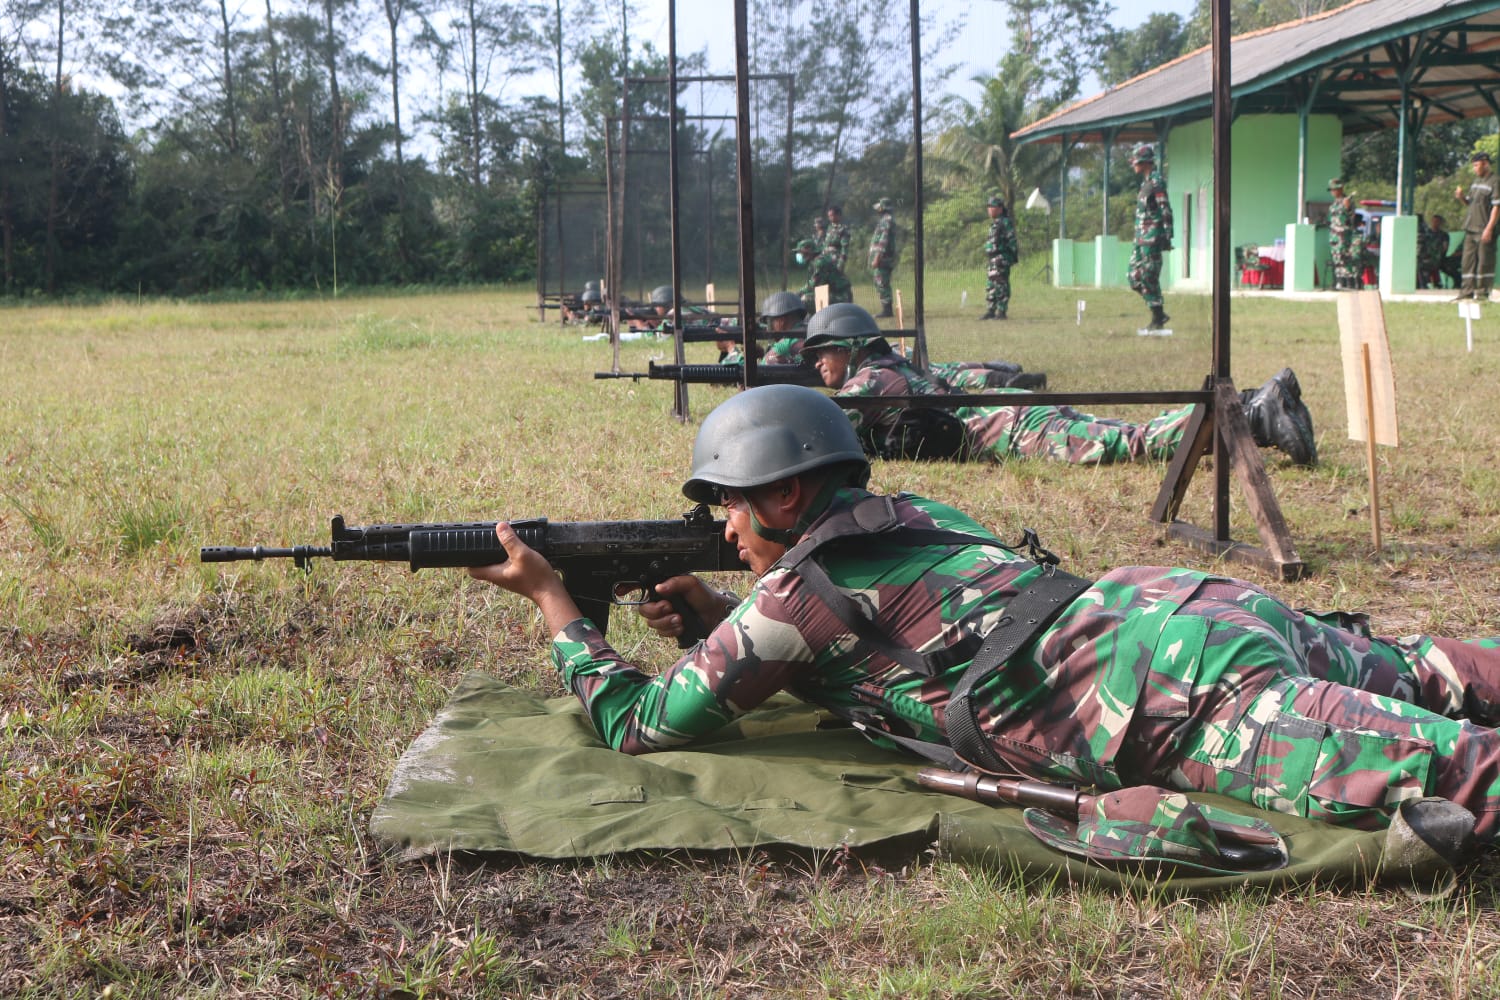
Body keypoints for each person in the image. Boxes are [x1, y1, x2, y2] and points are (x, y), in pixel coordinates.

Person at [468, 383, 1500, 843]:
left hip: (1174, 695)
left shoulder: (790, 601)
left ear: (786, 498)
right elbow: (897, 636)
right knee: (1428, 670)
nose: (725, 524)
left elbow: (641, 725)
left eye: (730, 502)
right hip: (1186, 609)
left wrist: (558, 604)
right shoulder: (910, 511)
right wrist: (713, 612)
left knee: (1451, 771)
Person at [800, 303, 1316, 467]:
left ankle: (1251, 417)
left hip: (1006, 428)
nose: (818, 364)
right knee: (1126, 429)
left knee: (1131, 443)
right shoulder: (901, 366)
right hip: (1015, 410)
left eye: (821, 352)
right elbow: (976, 372)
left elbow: (821, 428)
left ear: (847, 345)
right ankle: (1256, 401)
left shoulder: (869, 381)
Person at [1128, 144, 1174, 330]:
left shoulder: (1156, 183)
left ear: (1144, 162)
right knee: (1133, 276)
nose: (1133, 166)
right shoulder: (1145, 184)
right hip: (1140, 239)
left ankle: (1157, 317)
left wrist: (1167, 236)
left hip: (1152, 238)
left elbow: (1165, 209)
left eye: (1135, 162)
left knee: (1149, 276)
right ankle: (1158, 312)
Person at [1454, 151, 1499, 301]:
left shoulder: (1495, 181)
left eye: (1476, 165)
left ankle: (1482, 294)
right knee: (1467, 262)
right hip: (1470, 229)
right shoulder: (1476, 182)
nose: (1474, 169)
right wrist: (1461, 198)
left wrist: (1489, 228)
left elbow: (1497, 207)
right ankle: (1466, 292)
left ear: (1486, 164)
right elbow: (1471, 203)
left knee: (1484, 262)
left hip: (1484, 229)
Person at [982, 194, 1020, 321]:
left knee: (1001, 285)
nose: (989, 209)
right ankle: (991, 310)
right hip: (993, 259)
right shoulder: (995, 224)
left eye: (991, 207)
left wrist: (1008, 258)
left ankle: (1001, 311)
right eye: (988, 207)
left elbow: (1012, 242)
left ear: (999, 208)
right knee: (991, 285)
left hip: (1001, 258)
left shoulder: (1005, 222)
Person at [793, 238, 853, 314]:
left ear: (808, 252)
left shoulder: (820, 263)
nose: (799, 255)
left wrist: (796, 295)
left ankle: (818, 321)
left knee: (806, 299)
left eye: (800, 252)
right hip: (832, 294)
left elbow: (813, 286)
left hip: (842, 297)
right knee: (811, 296)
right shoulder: (814, 262)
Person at [1327, 179, 1361, 290]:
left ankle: (1348, 282)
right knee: (1336, 258)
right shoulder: (1334, 203)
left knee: (1345, 258)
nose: (1332, 192)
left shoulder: (1347, 201)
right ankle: (1339, 281)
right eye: (1331, 190)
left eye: (1334, 189)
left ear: (1340, 189)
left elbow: (1351, 217)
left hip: (1343, 235)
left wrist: (1347, 207)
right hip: (1334, 235)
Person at [868, 198, 898, 318]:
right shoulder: (885, 220)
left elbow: (883, 241)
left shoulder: (886, 221)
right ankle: (886, 309)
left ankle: (887, 311)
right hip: (883, 257)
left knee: (882, 283)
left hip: (883, 258)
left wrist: (877, 257)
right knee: (880, 282)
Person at [823, 205, 851, 271]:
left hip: (836, 260)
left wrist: (841, 263)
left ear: (838, 215)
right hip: (826, 258)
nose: (830, 217)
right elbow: (825, 244)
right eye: (829, 216)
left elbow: (845, 248)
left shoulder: (843, 230)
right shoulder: (829, 228)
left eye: (832, 215)